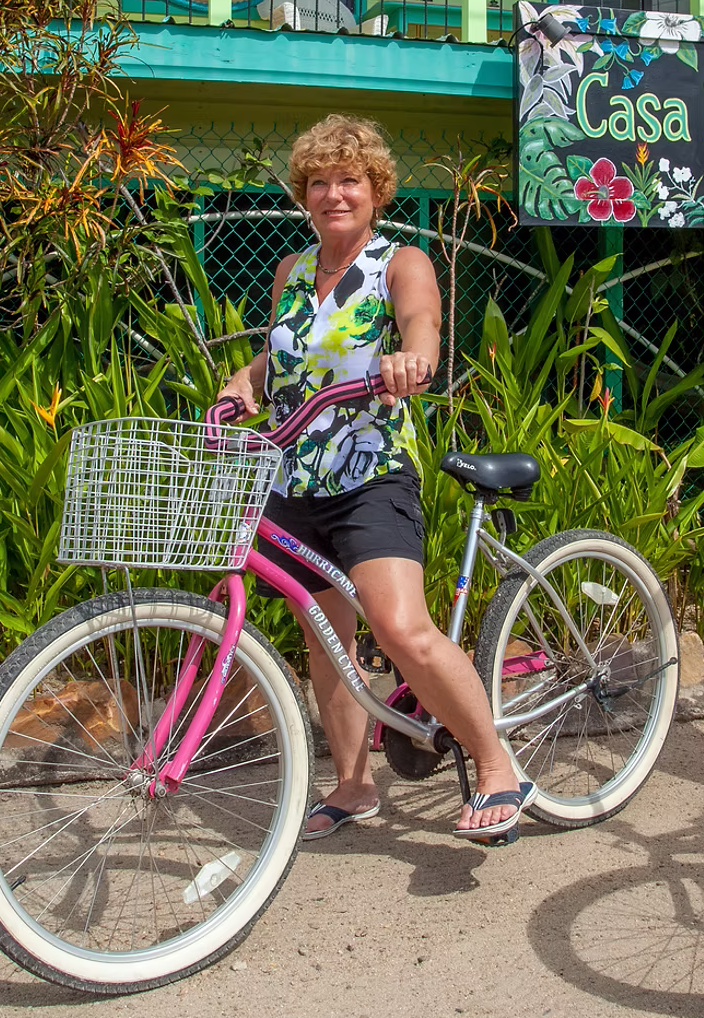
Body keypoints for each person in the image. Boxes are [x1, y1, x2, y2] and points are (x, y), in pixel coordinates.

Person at [216, 114, 530, 843]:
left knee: (400, 627)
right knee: (327, 638)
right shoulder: (292, 272)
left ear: (376, 189)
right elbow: (289, 351)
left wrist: (411, 358)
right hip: (296, 475)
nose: (334, 194)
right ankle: (355, 785)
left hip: (372, 471)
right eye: (319, 182)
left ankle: (496, 766)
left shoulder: (399, 262)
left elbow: (422, 322)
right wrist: (246, 379)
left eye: (349, 180)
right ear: (304, 193)